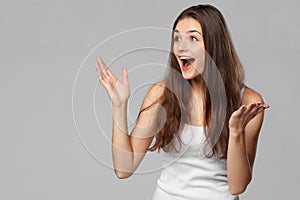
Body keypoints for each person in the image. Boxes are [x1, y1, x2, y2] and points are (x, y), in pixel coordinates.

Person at [95, 4, 269, 200]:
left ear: (214, 45)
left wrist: (236, 132)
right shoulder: (161, 94)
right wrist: (119, 106)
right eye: (177, 38)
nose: (180, 47)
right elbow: (124, 169)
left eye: (193, 38)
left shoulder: (248, 102)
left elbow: (238, 186)